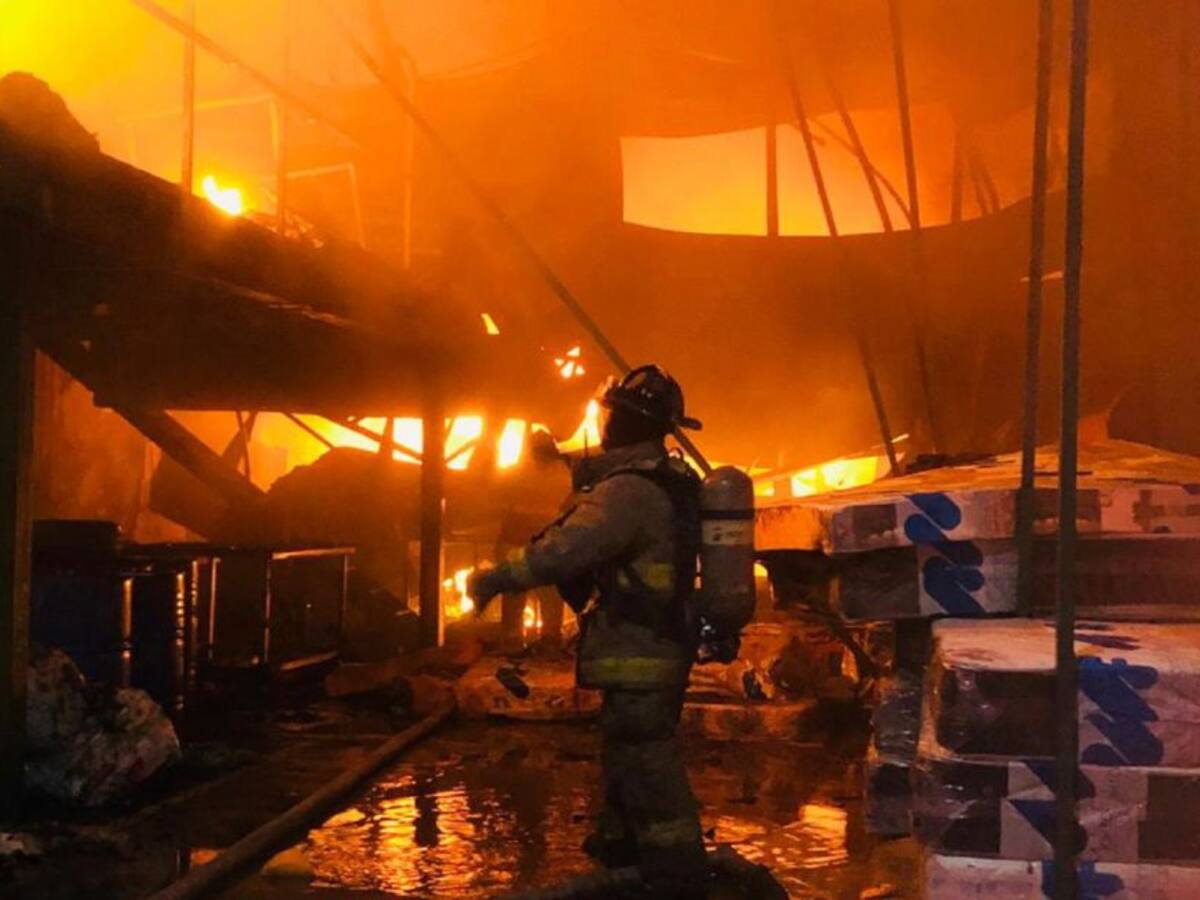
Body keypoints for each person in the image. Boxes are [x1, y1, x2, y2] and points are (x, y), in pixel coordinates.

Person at [468, 364, 708, 898]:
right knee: (628, 764)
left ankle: (677, 879)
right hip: (654, 647)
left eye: (611, 414)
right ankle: (626, 867)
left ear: (625, 420)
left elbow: (565, 551)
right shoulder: (659, 480)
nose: (603, 425)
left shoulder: (628, 492)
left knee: (647, 770)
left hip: (640, 651)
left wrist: (498, 577)